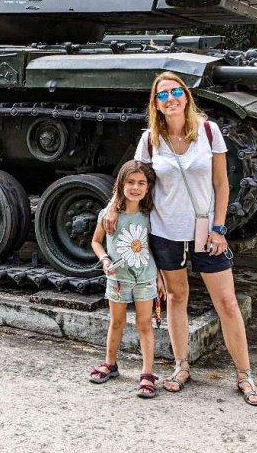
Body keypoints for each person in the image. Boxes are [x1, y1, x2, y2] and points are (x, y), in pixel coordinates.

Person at [103, 71, 257, 406]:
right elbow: (132, 179)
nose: (170, 99)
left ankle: (244, 375)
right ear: (156, 104)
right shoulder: (150, 140)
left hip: (207, 233)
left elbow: (222, 185)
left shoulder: (209, 132)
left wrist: (221, 228)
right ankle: (181, 366)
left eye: (175, 92)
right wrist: (111, 206)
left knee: (227, 303)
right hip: (166, 232)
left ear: (186, 96)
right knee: (178, 298)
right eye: (162, 95)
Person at [88, 160, 164, 398]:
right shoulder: (109, 215)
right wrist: (104, 260)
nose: (135, 188)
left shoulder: (149, 215)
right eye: (130, 182)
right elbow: (95, 241)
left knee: (144, 324)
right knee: (117, 322)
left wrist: (160, 275)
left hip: (145, 277)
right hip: (118, 278)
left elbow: (154, 247)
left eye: (141, 183)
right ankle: (110, 363)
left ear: (148, 187)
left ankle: (147, 373)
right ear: (121, 184)